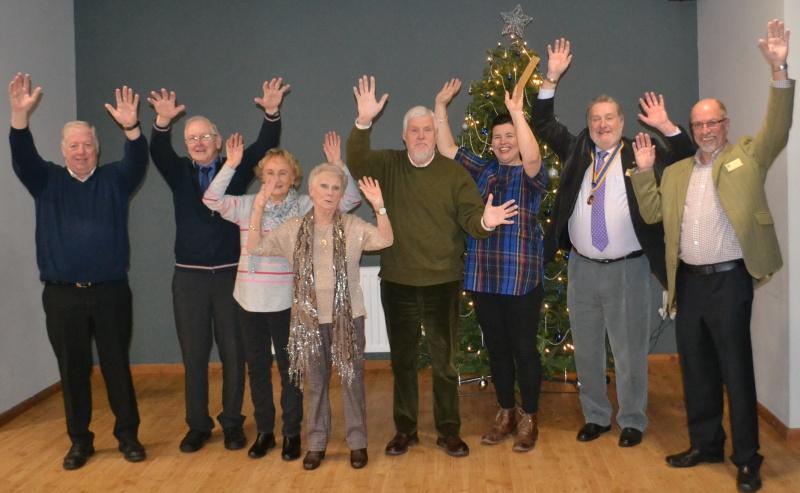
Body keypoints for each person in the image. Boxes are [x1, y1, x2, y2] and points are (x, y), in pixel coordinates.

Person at [630, 20, 793, 492]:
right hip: (691, 283)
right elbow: (654, 211)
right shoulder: (678, 170)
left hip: (730, 281)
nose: (705, 130)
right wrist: (644, 172)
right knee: (696, 367)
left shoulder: (747, 156)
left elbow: (778, 128)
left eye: (712, 122)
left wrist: (779, 68)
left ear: (726, 124)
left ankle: (748, 458)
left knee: (735, 369)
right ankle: (705, 444)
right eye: (698, 124)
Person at [531, 39, 694, 448]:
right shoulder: (578, 149)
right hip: (582, 268)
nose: (602, 124)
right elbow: (543, 124)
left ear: (623, 123)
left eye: (609, 118)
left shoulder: (643, 151)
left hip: (629, 270)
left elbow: (688, 159)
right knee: (586, 349)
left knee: (629, 351)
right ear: (589, 124)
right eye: (595, 119)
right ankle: (597, 416)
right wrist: (550, 78)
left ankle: (633, 419)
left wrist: (666, 125)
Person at [346, 75, 519, 458]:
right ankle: (404, 430)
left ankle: (448, 431)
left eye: (428, 129)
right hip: (398, 282)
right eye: (415, 130)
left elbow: (474, 216)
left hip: (442, 282)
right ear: (405, 136)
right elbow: (355, 160)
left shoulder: (453, 173)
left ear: (433, 133)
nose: (422, 136)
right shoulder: (387, 165)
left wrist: (487, 222)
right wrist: (362, 122)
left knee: (444, 363)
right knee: (403, 362)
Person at [8, 73, 147, 470]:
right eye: (74, 145)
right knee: (72, 371)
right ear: (63, 150)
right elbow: (22, 155)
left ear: (98, 150)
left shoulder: (115, 181)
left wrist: (132, 127)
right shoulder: (45, 180)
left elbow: (138, 159)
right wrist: (19, 116)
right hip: (62, 294)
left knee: (117, 365)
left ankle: (128, 436)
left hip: (110, 291)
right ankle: (80, 442)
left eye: (88, 144)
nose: (81, 151)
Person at [147, 79, 289, 453]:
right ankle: (197, 425)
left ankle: (231, 423)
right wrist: (162, 122)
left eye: (204, 136)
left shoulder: (235, 168)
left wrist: (271, 112)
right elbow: (156, 148)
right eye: (191, 137)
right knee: (194, 356)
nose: (197, 142)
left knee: (233, 354)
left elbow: (264, 145)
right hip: (189, 279)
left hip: (230, 275)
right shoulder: (177, 171)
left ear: (218, 139)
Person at [202, 131, 361, 460]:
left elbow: (350, 200)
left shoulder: (306, 206)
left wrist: (337, 164)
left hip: (290, 303)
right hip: (249, 300)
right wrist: (231, 164)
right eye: (270, 172)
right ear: (261, 175)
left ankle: (291, 433)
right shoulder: (247, 205)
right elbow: (211, 199)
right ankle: (265, 432)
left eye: (283, 173)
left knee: (293, 370)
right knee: (257, 368)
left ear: (294, 179)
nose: (276, 178)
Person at [246, 165, 392, 470]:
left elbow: (385, 240)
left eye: (335, 188)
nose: (330, 193)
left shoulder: (352, 225)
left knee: (351, 383)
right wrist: (258, 208)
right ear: (311, 192)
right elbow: (255, 247)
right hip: (308, 322)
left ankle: (357, 443)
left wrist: (379, 206)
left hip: (349, 319)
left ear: (341, 194)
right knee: (315, 385)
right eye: (324, 187)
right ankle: (316, 443)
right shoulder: (293, 229)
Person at [434, 79, 547, 452]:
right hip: (484, 277)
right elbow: (447, 147)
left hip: (521, 280)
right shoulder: (482, 169)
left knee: (524, 349)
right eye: (497, 136)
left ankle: (528, 415)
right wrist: (440, 106)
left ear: (520, 136)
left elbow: (532, 158)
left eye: (509, 135)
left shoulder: (531, 176)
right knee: (497, 349)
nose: (502, 142)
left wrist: (517, 112)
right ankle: (505, 411)